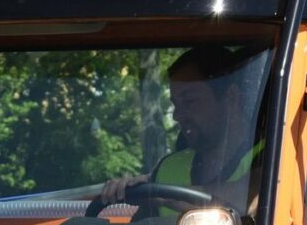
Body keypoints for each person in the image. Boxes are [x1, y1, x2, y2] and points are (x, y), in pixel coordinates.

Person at [97, 45, 264, 214]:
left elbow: (250, 197)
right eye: (175, 104)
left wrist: (165, 193)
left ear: (231, 96)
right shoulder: (168, 168)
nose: (177, 115)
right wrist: (123, 190)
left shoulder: (272, 155)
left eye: (189, 101)